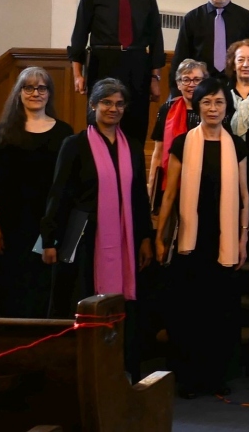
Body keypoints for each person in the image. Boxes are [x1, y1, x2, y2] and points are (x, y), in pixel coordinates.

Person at [40, 78, 152, 378]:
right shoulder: (74, 145)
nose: (113, 109)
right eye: (106, 103)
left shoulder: (133, 147)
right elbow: (58, 193)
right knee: (83, 297)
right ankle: (77, 369)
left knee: (123, 305)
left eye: (119, 104)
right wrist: (49, 239)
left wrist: (145, 237)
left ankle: (117, 368)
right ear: (93, 106)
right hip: (84, 236)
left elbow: (139, 196)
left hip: (125, 236)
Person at [153, 78, 249, 398]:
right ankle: (190, 377)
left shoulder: (237, 145)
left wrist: (243, 239)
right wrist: (160, 235)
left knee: (218, 313)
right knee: (189, 312)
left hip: (223, 240)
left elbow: (244, 197)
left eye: (219, 102)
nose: (212, 108)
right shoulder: (182, 142)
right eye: (206, 102)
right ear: (197, 106)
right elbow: (169, 194)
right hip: (189, 241)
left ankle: (215, 376)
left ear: (227, 107)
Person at [0, 67, 74, 318]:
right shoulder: (3, 133)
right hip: (12, 224)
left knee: (45, 289)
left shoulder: (64, 133)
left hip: (49, 224)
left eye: (42, 87)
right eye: (29, 87)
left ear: (49, 93)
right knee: (12, 287)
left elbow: (67, 185)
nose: (36, 92)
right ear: (19, 93)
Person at [67, 0, 164, 143]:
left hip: (137, 65)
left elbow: (156, 39)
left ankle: (132, 172)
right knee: (100, 121)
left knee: (135, 123)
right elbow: (79, 35)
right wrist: (77, 74)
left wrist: (155, 78)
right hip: (103, 62)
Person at [169, 0, 249, 93]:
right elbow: (181, 56)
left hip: (238, 85)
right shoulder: (192, 18)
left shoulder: (247, 18)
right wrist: (175, 92)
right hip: (199, 86)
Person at [149, 59, 207, 207]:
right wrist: (151, 185)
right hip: (170, 181)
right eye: (186, 79)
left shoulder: (211, 111)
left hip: (203, 180)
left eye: (197, 80)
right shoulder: (166, 109)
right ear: (178, 83)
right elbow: (158, 151)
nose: (191, 84)